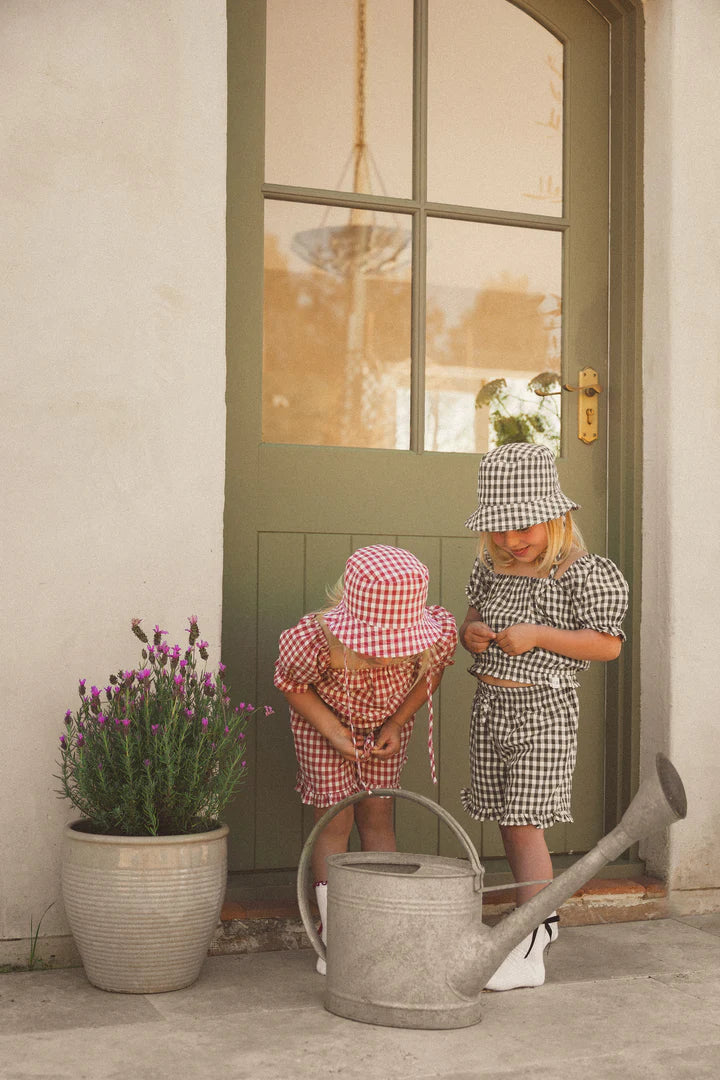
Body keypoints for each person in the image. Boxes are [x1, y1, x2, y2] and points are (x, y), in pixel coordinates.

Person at [459, 442, 628, 991]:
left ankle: (534, 939)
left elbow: (606, 645)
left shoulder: (580, 572)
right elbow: (471, 619)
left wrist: (539, 635)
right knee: (508, 819)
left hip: (543, 710)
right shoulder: (492, 566)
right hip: (492, 708)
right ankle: (530, 919)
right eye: (499, 529)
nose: (511, 540)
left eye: (523, 527)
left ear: (556, 515)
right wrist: (472, 634)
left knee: (526, 821)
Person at [274, 544, 457, 974]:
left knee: (377, 816)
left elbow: (432, 674)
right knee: (334, 821)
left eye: (397, 648)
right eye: (374, 651)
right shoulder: (314, 641)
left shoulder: (435, 637)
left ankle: (381, 918)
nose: (387, 658)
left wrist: (396, 721)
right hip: (324, 730)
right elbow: (291, 686)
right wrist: (334, 733)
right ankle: (335, 927)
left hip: (384, 730)